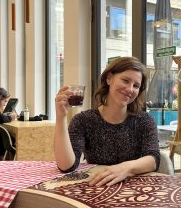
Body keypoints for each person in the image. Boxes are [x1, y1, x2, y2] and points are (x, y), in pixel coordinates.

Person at [54, 57, 160, 187]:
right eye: (125, 80)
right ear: (109, 78)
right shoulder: (83, 121)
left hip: (136, 192)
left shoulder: (144, 120)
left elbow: (153, 159)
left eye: (136, 86)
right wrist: (61, 117)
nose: (130, 89)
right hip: (97, 189)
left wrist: (125, 168)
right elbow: (66, 166)